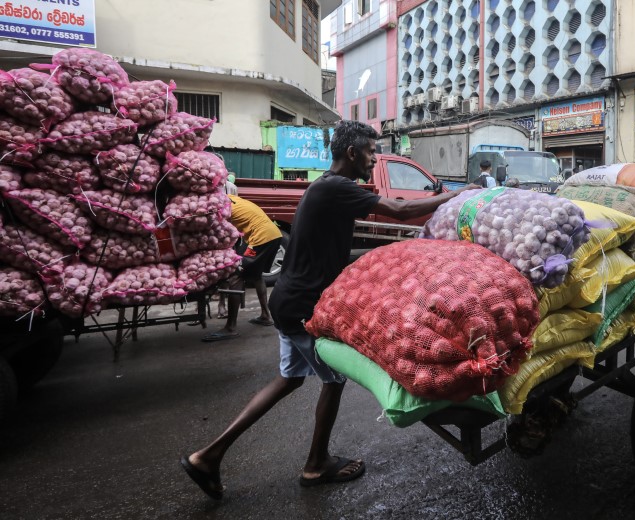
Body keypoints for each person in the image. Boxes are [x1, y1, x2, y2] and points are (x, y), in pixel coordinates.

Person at [181, 120, 480, 499]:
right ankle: (315, 465)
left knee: (289, 379)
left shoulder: (326, 185)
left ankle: (208, 456)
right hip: (304, 306)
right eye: (371, 152)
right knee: (334, 380)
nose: (374, 160)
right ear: (352, 153)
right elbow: (399, 211)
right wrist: (455, 196)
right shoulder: (337, 187)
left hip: (288, 300)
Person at [201, 195, 282, 342]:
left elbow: (219, 233)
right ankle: (265, 315)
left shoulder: (218, 207)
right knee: (256, 275)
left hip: (261, 237)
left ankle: (230, 328)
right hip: (273, 234)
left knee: (236, 276)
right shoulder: (230, 199)